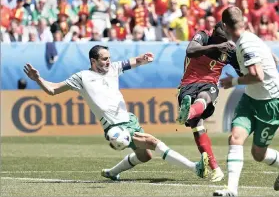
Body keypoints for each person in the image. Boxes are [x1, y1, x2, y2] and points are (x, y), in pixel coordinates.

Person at [23, 45, 209, 181]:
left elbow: (133, 62)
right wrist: (38, 79)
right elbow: (53, 89)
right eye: (104, 59)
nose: (108, 61)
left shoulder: (113, 68)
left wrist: (143, 59)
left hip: (129, 119)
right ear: (93, 61)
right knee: (153, 142)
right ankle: (195, 168)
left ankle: (112, 173)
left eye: (109, 58)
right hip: (115, 127)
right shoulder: (82, 77)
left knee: (146, 156)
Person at [213, 7, 279, 196]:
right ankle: (231, 190)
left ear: (225, 26)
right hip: (250, 99)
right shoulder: (249, 38)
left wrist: (232, 81)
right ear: (243, 20)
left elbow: (257, 76)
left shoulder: (246, 44)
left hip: (270, 103)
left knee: (258, 154)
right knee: (235, 138)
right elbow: (273, 59)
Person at [176, 22, 239, 182]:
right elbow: (190, 51)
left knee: (204, 98)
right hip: (187, 85)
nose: (222, 26)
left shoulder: (230, 51)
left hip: (209, 84)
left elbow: (243, 69)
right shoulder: (202, 36)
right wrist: (217, 47)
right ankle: (216, 169)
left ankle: (188, 112)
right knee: (197, 126)